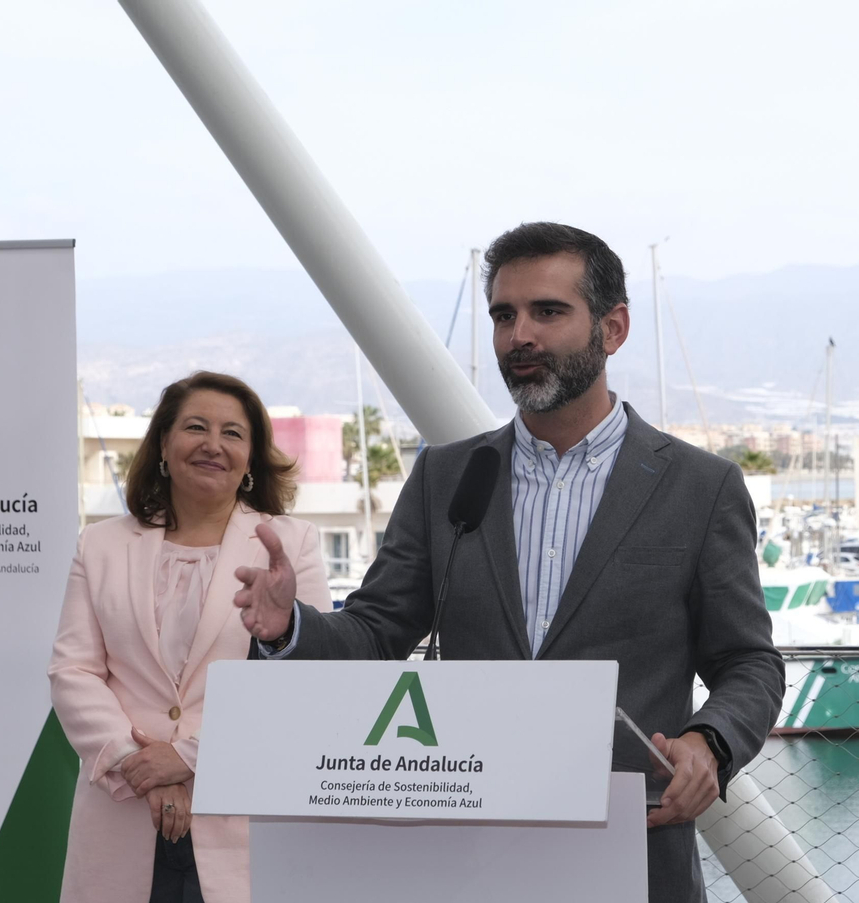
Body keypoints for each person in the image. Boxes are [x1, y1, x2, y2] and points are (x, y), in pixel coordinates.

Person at [234, 222, 784, 903]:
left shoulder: (700, 488)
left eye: (547, 312)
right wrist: (290, 624)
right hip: (469, 857)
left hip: (633, 851)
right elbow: (376, 632)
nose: (519, 334)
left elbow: (750, 663)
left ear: (613, 329)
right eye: (504, 314)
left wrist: (710, 741)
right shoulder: (446, 477)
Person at [49, 372, 333, 903]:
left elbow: (306, 686)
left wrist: (191, 757)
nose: (213, 444)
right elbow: (73, 672)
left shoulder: (291, 545)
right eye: (195, 427)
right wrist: (144, 769)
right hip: (123, 810)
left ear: (251, 457)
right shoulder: (101, 544)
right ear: (163, 443)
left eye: (233, 433)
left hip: (242, 822)